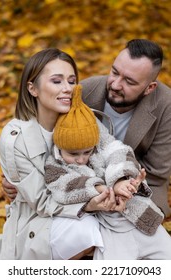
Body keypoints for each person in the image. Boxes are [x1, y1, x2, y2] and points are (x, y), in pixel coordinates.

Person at [0, 48, 126, 260]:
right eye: (57, 81)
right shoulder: (16, 138)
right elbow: (41, 202)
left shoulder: (84, 120)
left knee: (133, 230)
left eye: (71, 80)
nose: (67, 88)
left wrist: (121, 182)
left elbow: (108, 156)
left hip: (95, 202)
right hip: (40, 221)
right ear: (33, 88)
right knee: (87, 231)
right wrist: (90, 203)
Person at [45, 84, 171, 260]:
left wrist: (122, 181)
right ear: (59, 146)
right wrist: (100, 189)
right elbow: (63, 188)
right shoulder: (55, 166)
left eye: (87, 152)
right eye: (73, 154)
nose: (81, 159)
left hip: (139, 218)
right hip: (108, 230)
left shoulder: (100, 149)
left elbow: (119, 153)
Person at [81, 38, 171, 218]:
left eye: (129, 82)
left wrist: (119, 190)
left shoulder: (166, 106)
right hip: (82, 182)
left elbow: (155, 174)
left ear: (149, 88)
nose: (115, 85)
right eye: (114, 72)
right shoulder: (84, 91)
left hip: (138, 189)